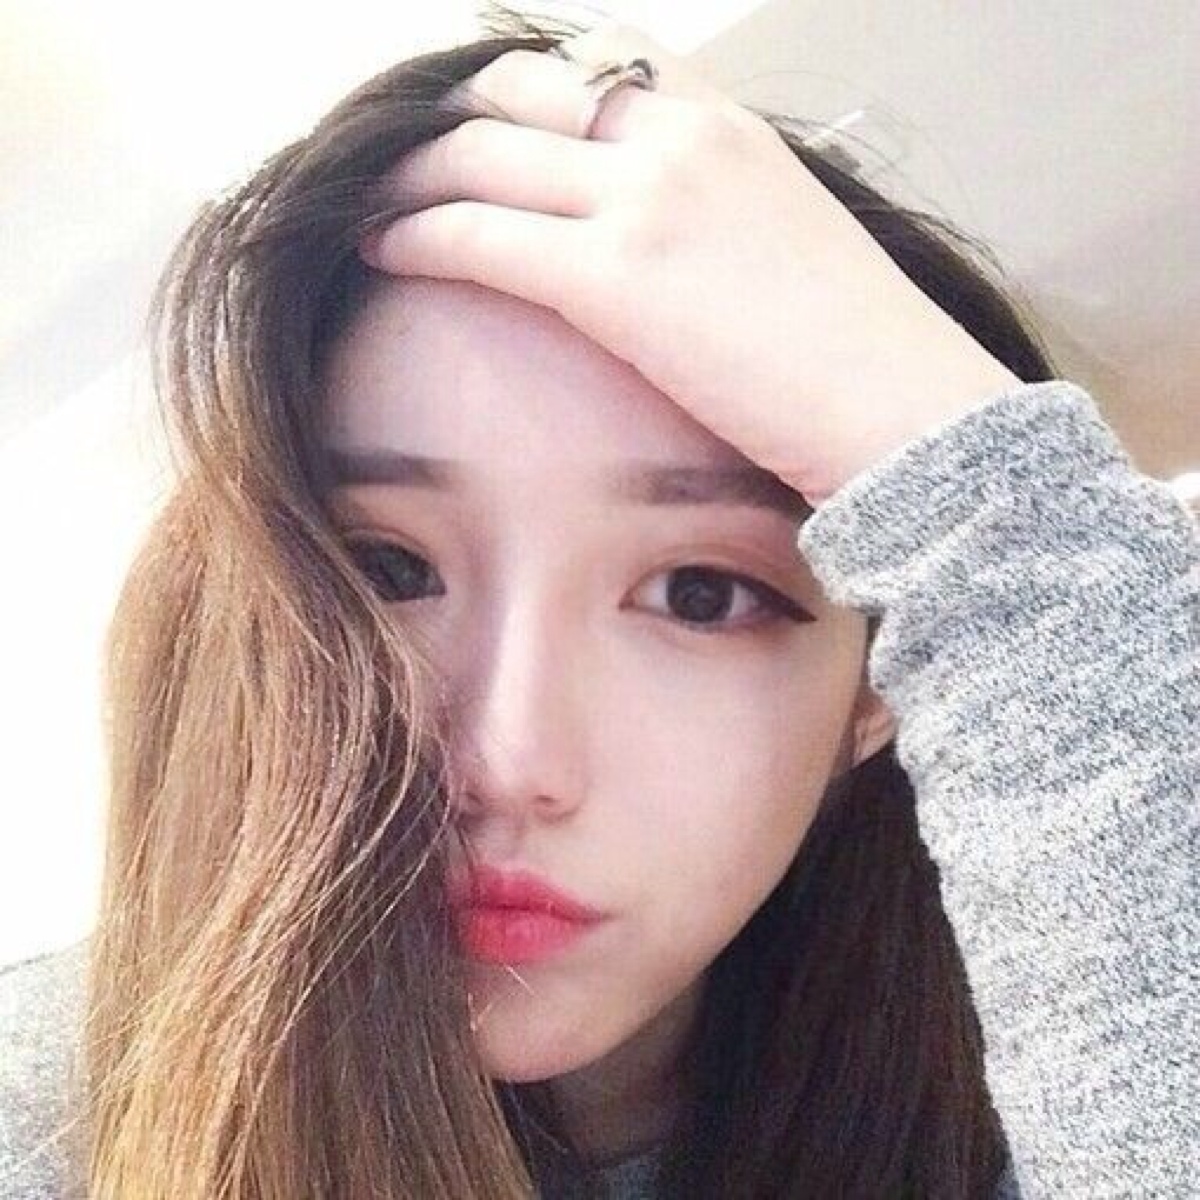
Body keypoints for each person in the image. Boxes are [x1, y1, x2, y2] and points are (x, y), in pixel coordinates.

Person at [1, 11, 1196, 1199]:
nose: (509, 764)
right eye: (389, 569)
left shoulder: (1063, 1077)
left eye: (700, 594)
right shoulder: (42, 1130)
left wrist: (1010, 523)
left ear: (880, 687)